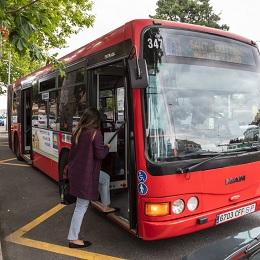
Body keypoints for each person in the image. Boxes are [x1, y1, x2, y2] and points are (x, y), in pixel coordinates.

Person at [67, 107, 115, 248]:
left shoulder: (78, 131)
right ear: (96, 120)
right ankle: (73, 238)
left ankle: (105, 206)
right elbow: (100, 155)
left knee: (105, 179)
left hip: (78, 172)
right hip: (86, 175)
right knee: (81, 206)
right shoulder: (96, 133)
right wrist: (106, 147)